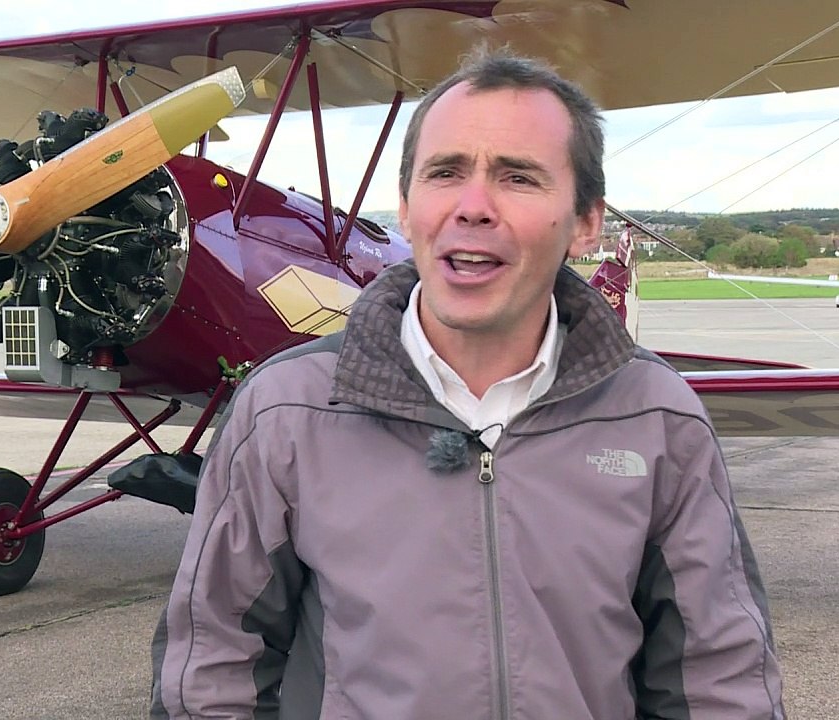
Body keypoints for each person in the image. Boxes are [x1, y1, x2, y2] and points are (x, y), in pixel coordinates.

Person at [150, 47, 784, 719]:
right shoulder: (285, 410)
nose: (473, 206)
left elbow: (719, 679)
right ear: (405, 204)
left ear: (586, 221)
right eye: (445, 172)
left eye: (519, 177)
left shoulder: (657, 416)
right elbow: (211, 675)